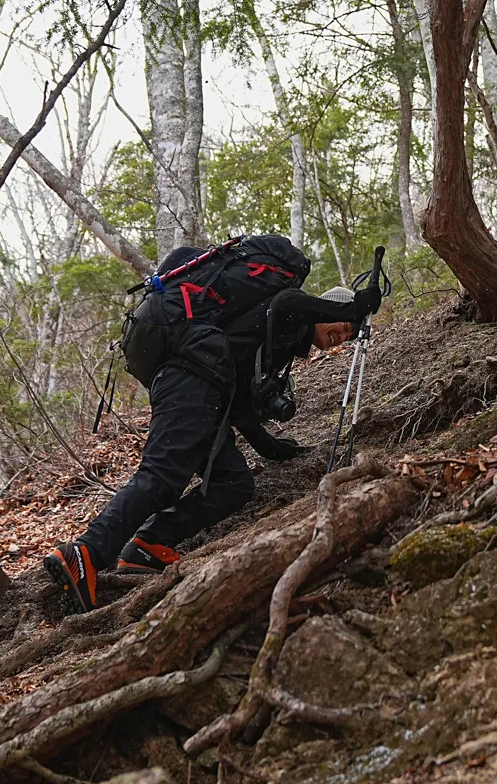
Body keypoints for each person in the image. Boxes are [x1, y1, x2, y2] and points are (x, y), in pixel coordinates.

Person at [45, 244, 380, 612]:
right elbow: (290, 303)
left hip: (206, 390)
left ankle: (148, 545)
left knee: (233, 484)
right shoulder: (293, 314)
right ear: (323, 309)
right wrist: (350, 309)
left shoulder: (283, 341)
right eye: (341, 326)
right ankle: (85, 553)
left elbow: (240, 406)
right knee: (162, 475)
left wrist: (271, 447)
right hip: (189, 377)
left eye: (348, 335)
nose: (342, 334)